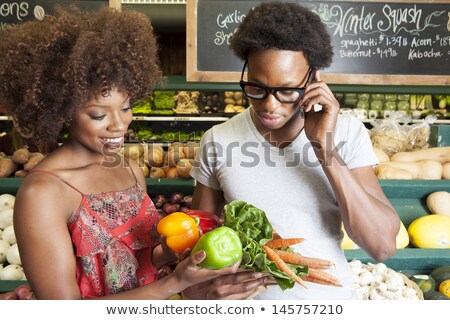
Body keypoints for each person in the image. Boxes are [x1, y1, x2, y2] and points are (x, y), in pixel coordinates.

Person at [0, 6, 268, 299]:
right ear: (61, 112)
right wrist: (175, 283)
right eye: (99, 115)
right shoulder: (42, 192)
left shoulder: (129, 169)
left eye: (126, 108)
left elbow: (131, 268)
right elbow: (63, 312)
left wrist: (166, 256)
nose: (120, 124)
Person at [190, 2, 401, 299]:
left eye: (287, 90)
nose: (269, 105)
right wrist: (204, 290)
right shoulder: (218, 140)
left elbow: (381, 245)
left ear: (314, 78)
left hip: (329, 308)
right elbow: (193, 250)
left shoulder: (347, 133)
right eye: (256, 88)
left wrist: (323, 146)